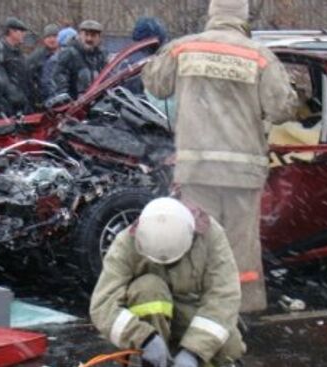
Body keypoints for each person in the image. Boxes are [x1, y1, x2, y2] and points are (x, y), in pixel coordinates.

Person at [142, 0, 297, 312]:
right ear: (243, 18)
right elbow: (283, 109)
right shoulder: (260, 56)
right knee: (241, 247)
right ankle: (242, 310)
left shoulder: (183, 49)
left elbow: (155, 85)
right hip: (243, 171)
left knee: (199, 242)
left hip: (197, 169)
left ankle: (198, 308)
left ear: (211, 15)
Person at [90, 197, 245, 367]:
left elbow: (224, 297)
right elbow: (103, 305)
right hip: (149, 316)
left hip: (193, 310)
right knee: (147, 288)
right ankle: (148, 361)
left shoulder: (210, 235)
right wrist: (143, 338)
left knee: (228, 348)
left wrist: (194, 351)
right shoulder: (127, 242)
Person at [42, 20, 107, 100]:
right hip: (77, 107)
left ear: (99, 38)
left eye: (93, 36)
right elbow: (58, 81)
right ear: (79, 35)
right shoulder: (69, 54)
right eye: (86, 35)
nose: (89, 39)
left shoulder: (101, 56)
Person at [0, 17, 33, 113]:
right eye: (21, 31)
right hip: (8, 106)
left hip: (22, 104)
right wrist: (14, 96)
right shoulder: (0, 52)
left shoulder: (19, 53)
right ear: (11, 31)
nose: (23, 34)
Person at [27, 24, 60, 109]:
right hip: (43, 101)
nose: (52, 39)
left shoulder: (65, 54)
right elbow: (28, 79)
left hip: (62, 97)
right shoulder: (36, 57)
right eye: (49, 37)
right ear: (44, 39)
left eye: (55, 36)